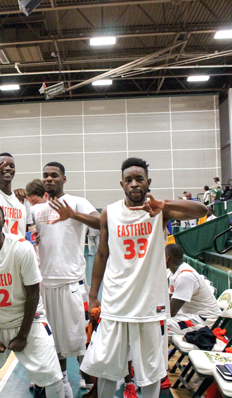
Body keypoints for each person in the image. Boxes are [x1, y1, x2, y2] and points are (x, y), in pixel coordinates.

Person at [80, 157, 208, 398]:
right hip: (116, 302)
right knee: (106, 368)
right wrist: (93, 295)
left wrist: (164, 203)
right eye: (129, 180)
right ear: (122, 184)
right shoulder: (109, 212)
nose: (134, 184)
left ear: (148, 182)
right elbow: (101, 254)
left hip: (150, 304)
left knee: (150, 372)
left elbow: (202, 210)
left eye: (139, 179)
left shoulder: (161, 210)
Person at [0, 201, 65, 398]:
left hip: (29, 320)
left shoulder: (22, 249)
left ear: (4, 222)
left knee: (52, 377)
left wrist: (23, 336)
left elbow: (33, 295)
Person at [30, 162, 100, 396]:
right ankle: (62, 383)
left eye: (54, 175)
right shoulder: (37, 210)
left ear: (64, 179)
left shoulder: (78, 201)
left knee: (80, 338)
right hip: (46, 283)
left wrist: (73, 215)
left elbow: (101, 222)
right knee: (54, 340)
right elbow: (32, 237)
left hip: (72, 282)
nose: (49, 179)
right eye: (45, 176)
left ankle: (90, 381)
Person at [166, 244, 221, 337]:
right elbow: (168, 301)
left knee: (160, 326)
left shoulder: (185, 277)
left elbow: (171, 311)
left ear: (167, 257)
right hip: (193, 315)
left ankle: (159, 351)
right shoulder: (175, 273)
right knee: (157, 322)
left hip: (205, 319)